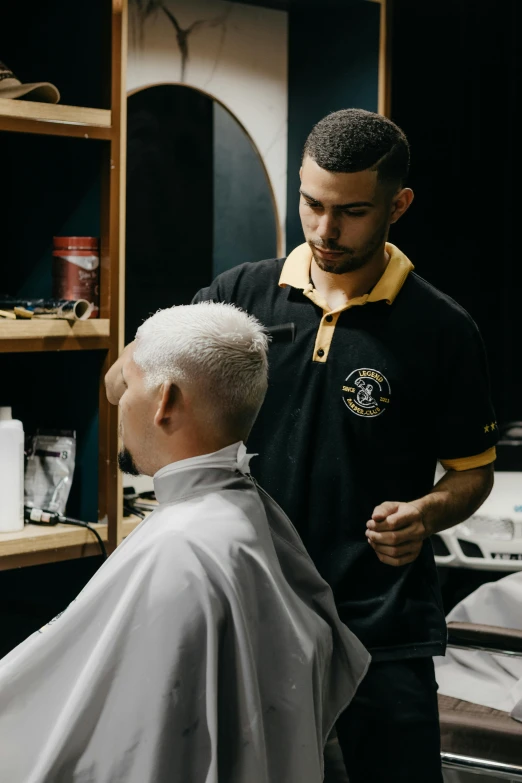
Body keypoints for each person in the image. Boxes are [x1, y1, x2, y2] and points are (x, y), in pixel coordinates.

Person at [188, 109, 499, 782]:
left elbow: (473, 473)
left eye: (351, 211)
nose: (325, 230)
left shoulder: (442, 330)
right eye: (312, 204)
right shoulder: (238, 297)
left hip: (379, 628)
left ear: (399, 203)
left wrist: (426, 513)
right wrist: (139, 366)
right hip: (252, 612)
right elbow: (137, 378)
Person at [0, 302, 369, 783]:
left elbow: (131, 747)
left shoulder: (180, 550)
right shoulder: (245, 512)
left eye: (129, 387)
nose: (116, 402)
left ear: (165, 401)